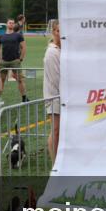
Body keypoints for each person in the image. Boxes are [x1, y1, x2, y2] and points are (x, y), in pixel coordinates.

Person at [0, 19, 28, 102]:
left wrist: (21, 58)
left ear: (14, 25)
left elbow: (24, 47)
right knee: (1, 80)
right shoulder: (1, 36)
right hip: (4, 62)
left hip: (15, 61)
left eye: (13, 23)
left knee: (20, 80)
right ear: (6, 24)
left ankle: (24, 98)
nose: (11, 24)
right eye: (10, 23)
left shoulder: (18, 36)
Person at [43, 19, 61, 164]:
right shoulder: (52, 52)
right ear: (54, 32)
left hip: (63, 96)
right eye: (58, 31)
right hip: (54, 96)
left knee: (60, 130)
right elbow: (55, 79)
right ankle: (55, 164)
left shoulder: (62, 49)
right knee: (55, 130)